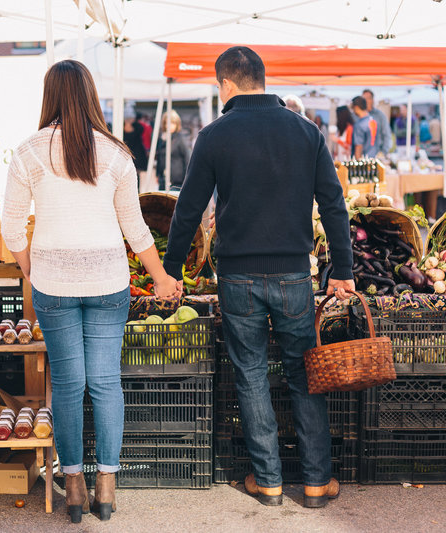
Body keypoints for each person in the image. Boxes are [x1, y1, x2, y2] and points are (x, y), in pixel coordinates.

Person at [163, 46, 353, 509]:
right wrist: (342, 270)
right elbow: (333, 204)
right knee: (304, 374)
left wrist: (170, 271)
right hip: (293, 275)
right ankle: (315, 482)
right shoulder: (307, 132)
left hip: (237, 277)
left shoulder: (214, 136)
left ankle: (267, 481)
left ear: (225, 84)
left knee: (250, 376)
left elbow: (188, 210)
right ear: (263, 80)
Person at [0, 60, 182, 523]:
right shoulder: (118, 154)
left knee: (66, 384)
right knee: (105, 383)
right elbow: (135, 228)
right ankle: (107, 486)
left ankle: (74, 487)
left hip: (53, 285)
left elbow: (11, 227)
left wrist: (30, 267)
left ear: (50, 96)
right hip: (108, 283)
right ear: (91, 96)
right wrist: (160, 277)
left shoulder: (29, 152)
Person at [155, 110, 191, 191]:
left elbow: (187, 159)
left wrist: (187, 179)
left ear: (177, 124)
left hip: (177, 181)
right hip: (163, 180)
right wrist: (158, 174)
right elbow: (160, 157)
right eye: (167, 123)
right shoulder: (162, 138)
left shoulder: (180, 139)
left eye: (173, 123)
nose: (170, 126)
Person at [362, 89, 392, 156]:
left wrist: (383, 152)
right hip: (363, 155)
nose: (365, 101)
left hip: (377, 154)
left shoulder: (380, 116)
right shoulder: (359, 116)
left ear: (372, 100)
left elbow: (387, 134)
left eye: (368, 98)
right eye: (364, 99)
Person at [122, 108, 147, 187]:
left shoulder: (137, 127)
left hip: (136, 156)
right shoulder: (120, 128)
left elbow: (142, 129)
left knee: (135, 177)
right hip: (126, 155)